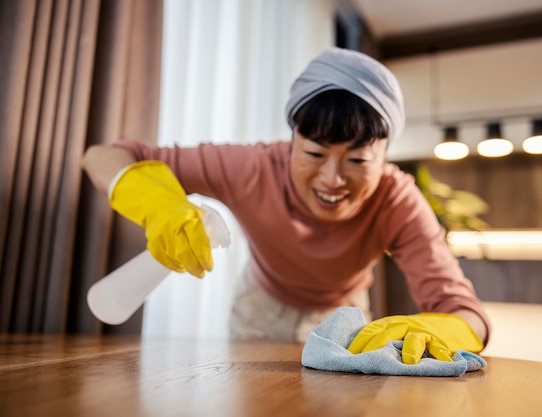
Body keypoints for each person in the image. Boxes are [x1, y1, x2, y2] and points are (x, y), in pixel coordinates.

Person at [82, 47, 490, 354]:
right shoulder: (252, 167)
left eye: (358, 160)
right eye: (314, 154)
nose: (332, 179)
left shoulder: (398, 200)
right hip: (259, 308)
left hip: (344, 314)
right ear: (292, 140)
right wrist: (158, 204)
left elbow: (464, 310)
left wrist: (447, 329)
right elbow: (102, 156)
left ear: (384, 155)